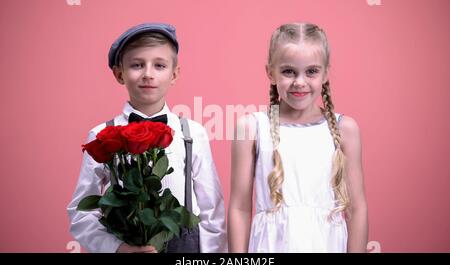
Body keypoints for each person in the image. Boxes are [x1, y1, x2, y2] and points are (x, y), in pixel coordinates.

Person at [67, 23, 227, 253]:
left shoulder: (192, 133)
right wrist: (117, 248)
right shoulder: (102, 134)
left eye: (159, 65)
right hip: (127, 244)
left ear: (174, 74)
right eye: (137, 65)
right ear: (119, 74)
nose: (148, 74)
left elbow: (212, 210)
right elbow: (81, 212)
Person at [228, 23, 368, 252]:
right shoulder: (251, 128)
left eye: (311, 71)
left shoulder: (345, 129)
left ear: (325, 73)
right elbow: (239, 208)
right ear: (270, 73)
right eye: (288, 71)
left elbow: (357, 209)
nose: (300, 82)